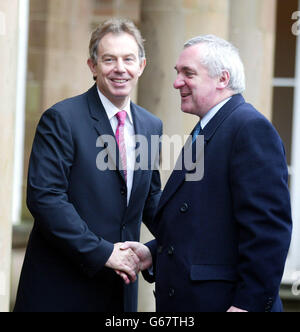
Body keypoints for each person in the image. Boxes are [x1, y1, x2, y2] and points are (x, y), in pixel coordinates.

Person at [121, 35, 292, 312]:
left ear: (222, 79)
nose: (177, 82)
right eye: (177, 73)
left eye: (188, 73)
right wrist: (153, 252)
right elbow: (205, 225)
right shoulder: (209, 128)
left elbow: (268, 231)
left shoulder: (249, 128)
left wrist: (248, 305)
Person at [14, 18, 162, 312]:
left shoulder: (150, 125)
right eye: (109, 59)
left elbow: (151, 200)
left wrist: (178, 239)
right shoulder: (61, 119)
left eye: (128, 59)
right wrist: (104, 252)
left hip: (119, 292)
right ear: (93, 66)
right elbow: (46, 199)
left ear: (141, 66)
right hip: (61, 290)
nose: (120, 68)